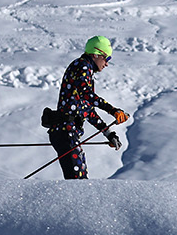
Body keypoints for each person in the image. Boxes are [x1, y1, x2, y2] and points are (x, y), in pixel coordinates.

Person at [47, 35, 128, 180]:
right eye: (107, 58)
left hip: (68, 132)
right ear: (96, 54)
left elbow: (88, 110)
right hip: (65, 131)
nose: (107, 64)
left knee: (81, 178)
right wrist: (112, 110)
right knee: (77, 181)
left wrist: (108, 133)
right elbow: (87, 95)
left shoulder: (85, 70)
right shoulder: (82, 65)